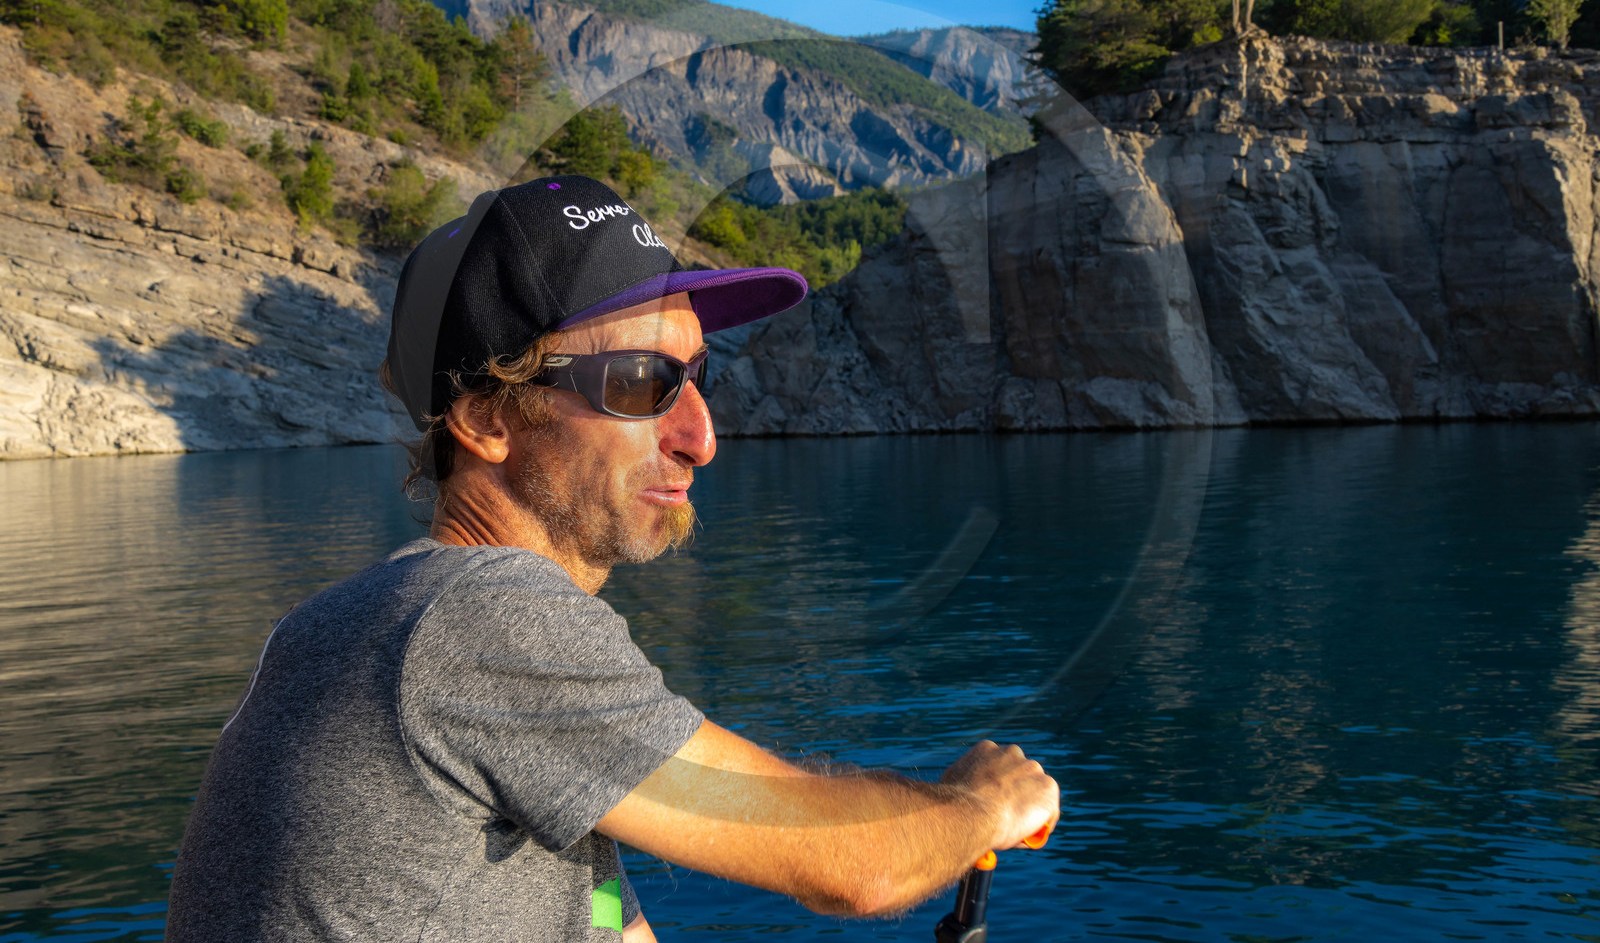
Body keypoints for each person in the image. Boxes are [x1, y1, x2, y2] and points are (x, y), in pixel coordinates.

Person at [165, 174, 1059, 942]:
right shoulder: (479, 619)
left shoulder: (345, 629)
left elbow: (607, 924)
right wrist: (981, 806)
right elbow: (853, 868)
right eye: (638, 383)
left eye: (699, 376)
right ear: (485, 418)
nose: (701, 437)